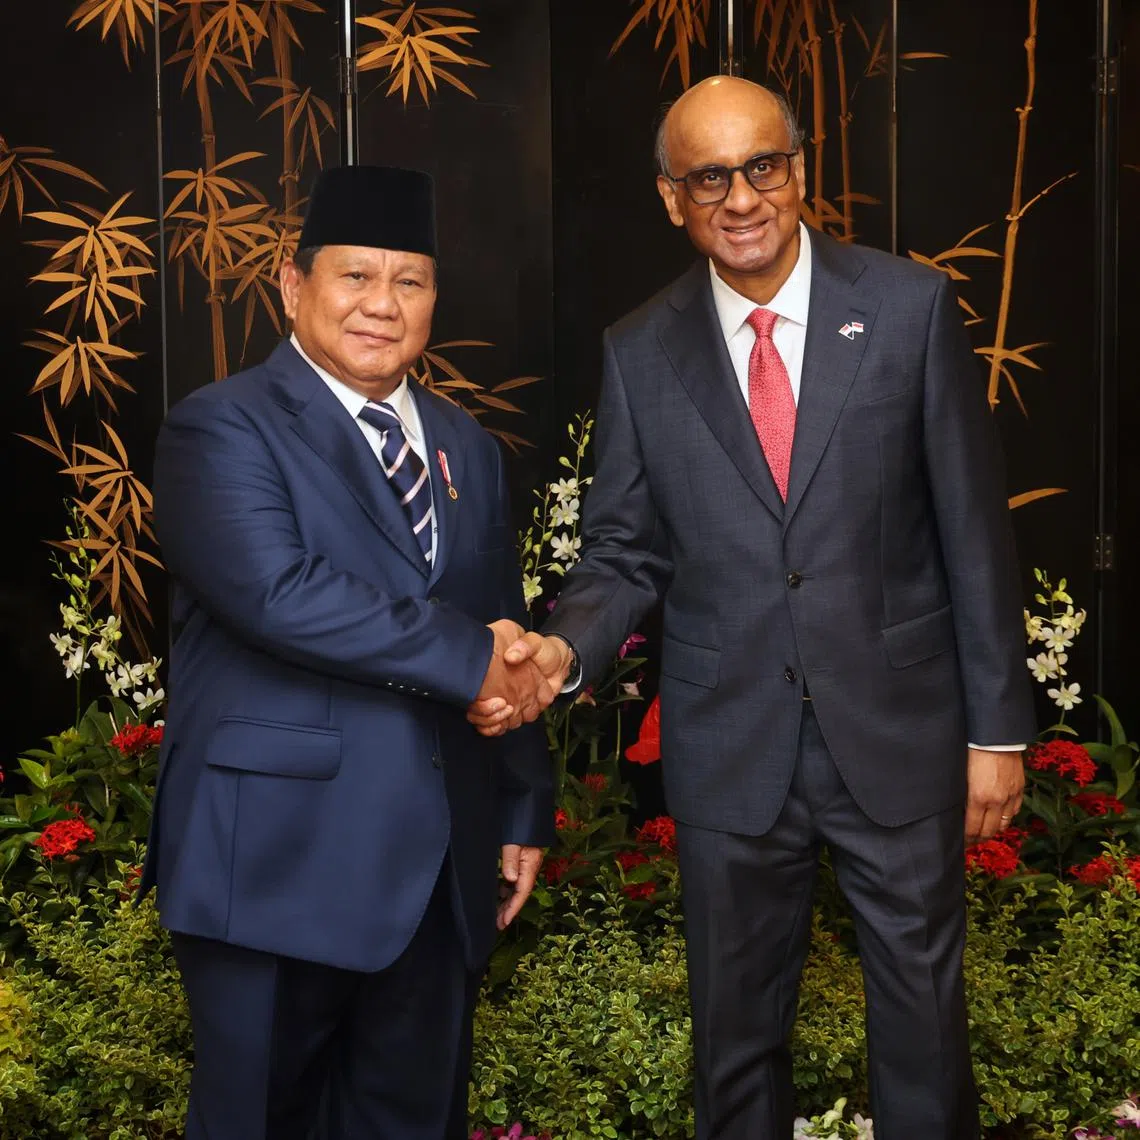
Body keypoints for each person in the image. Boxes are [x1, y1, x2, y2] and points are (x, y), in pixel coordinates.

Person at [470, 78, 1036, 1139]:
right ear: (671, 197)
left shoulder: (910, 308)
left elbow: (972, 530)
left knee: (924, 1031)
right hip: (731, 743)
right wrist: (560, 651)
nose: (741, 198)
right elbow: (624, 551)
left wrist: (996, 731)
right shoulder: (640, 349)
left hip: (899, 735)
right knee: (736, 1041)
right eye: (709, 177)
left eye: (761, 166)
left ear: (801, 169)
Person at [140, 164, 554, 1140]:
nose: (382, 304)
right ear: (294, 286)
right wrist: (477, 658)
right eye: (355, 276)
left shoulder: (467, 446)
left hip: (436, 873)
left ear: (434, 299)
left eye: (408, 281)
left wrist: (522, 802)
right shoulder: (222, 427)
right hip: (276, 866)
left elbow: (505, 621)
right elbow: (282, 595)